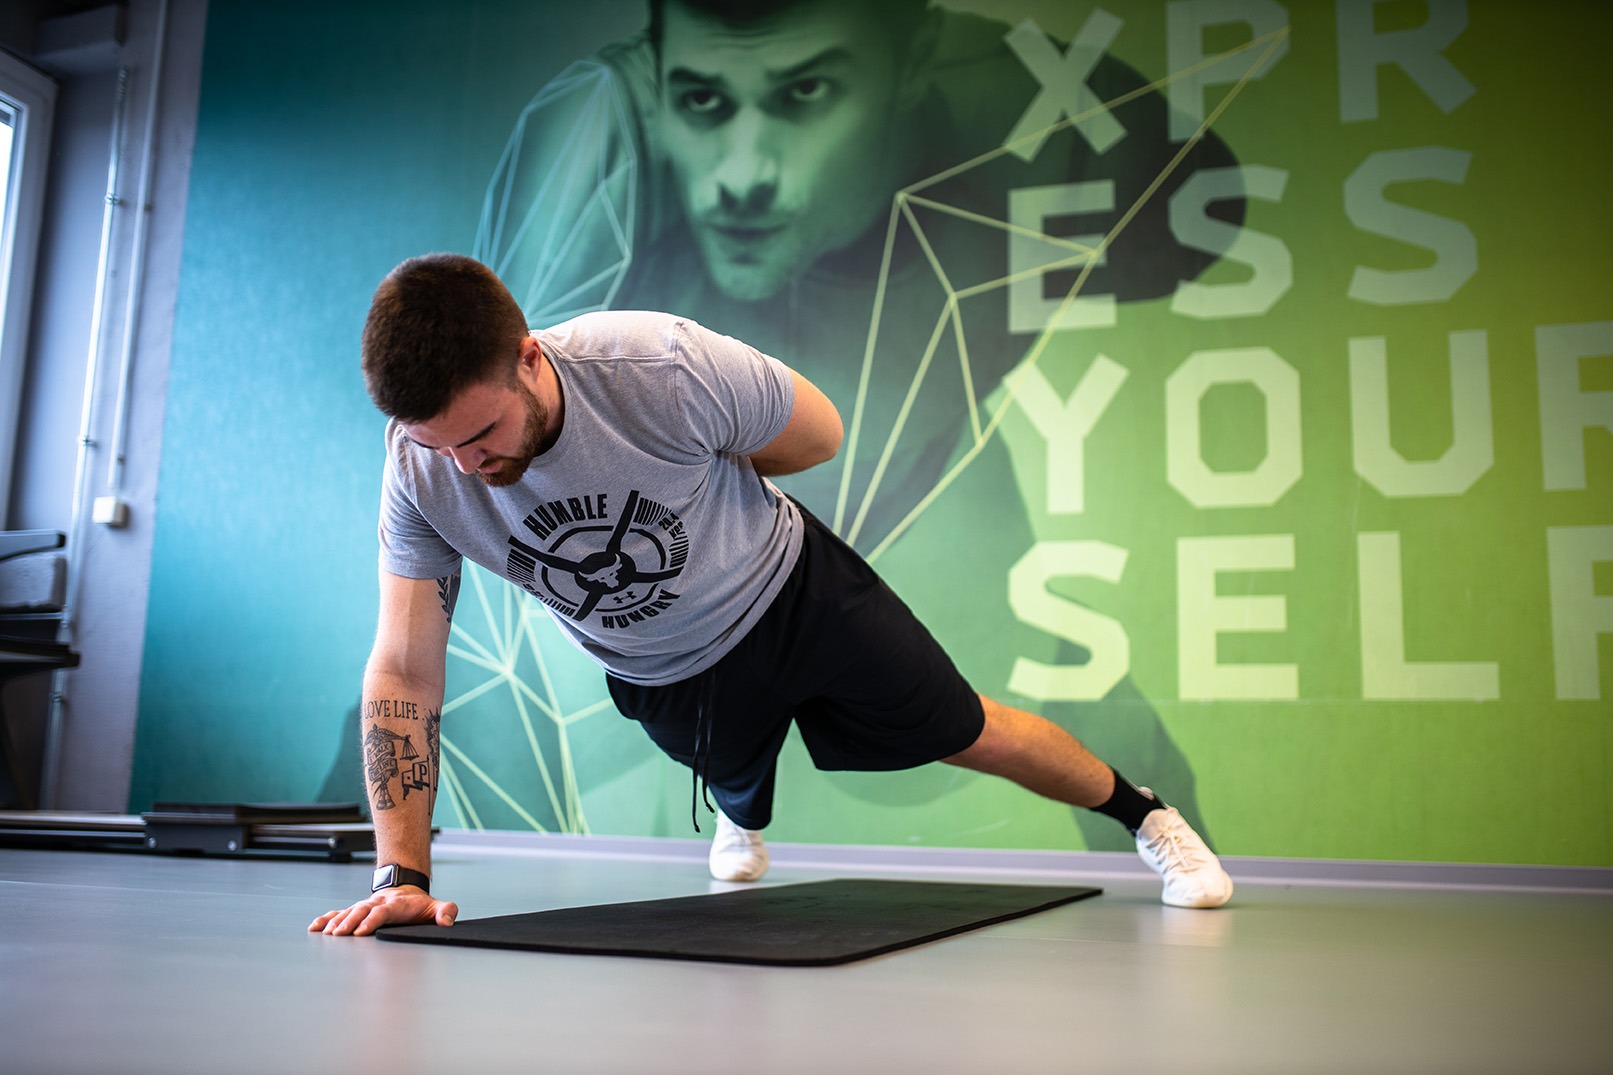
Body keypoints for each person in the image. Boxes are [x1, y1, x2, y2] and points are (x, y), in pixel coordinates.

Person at [472, 0, 1244, 854]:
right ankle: (740, 808)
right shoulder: (607, 218)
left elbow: (1199, 206)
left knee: (982, 725)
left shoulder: (981, 184)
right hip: (687, 625)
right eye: (701, 99)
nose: (742, 174)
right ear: (654, 90)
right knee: (712, 752)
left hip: (830, 579)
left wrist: (957, 63)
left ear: (913, 69)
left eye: (805, 91)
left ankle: (1149, 818)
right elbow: (500, 398)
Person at [309, 253, 1233, 938]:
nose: (468, 464)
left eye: (481, 432)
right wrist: (402, 875)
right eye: (437, 443)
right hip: (659, 667)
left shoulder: (658, 367)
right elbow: (405, 668)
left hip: (794, 594)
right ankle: (742, 808)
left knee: (965, 728)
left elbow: (817, 433)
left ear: (527, 358)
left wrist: (714, 492)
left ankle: (1145, 813)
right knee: (731, 766)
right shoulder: (420, 476)